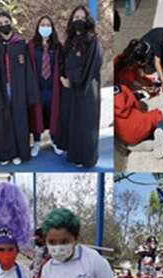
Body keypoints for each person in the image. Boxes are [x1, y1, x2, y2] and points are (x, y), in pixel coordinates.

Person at [0, 11, 39, 165]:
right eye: (0, 23)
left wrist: (29, 92)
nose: (3, 25)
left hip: (19, 89)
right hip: (1, 89)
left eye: (6, 21)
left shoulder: (20, 43)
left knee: (20, 120)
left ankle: (20, 153)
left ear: (11, 22)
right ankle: (7, 154)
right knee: (4, 122)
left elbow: (27, 68)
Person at [56, 5, 103, 168]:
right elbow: (63, 61)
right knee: (73, 122)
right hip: (69, 89)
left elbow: (92, 67)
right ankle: (74, 154)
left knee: (85, 123)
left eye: (82, 18)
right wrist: (63, 77)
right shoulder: (69, 41)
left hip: (86, 90)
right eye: (76, 17)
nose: (79, 21)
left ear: (88, 20)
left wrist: (73, 79)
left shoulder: (93, 42)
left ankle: (86, 157)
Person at [28, 15, 62, 156]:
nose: (45, 27)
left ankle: (54, 141)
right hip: (37, 89)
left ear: (52, 28)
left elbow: (62, 65)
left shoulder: (58, 46)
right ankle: (36, 142)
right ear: (38, 27)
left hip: (52, 89)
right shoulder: (31, 45)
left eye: (48, 25)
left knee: (53, 115)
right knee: (37, 115)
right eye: (43, 24)